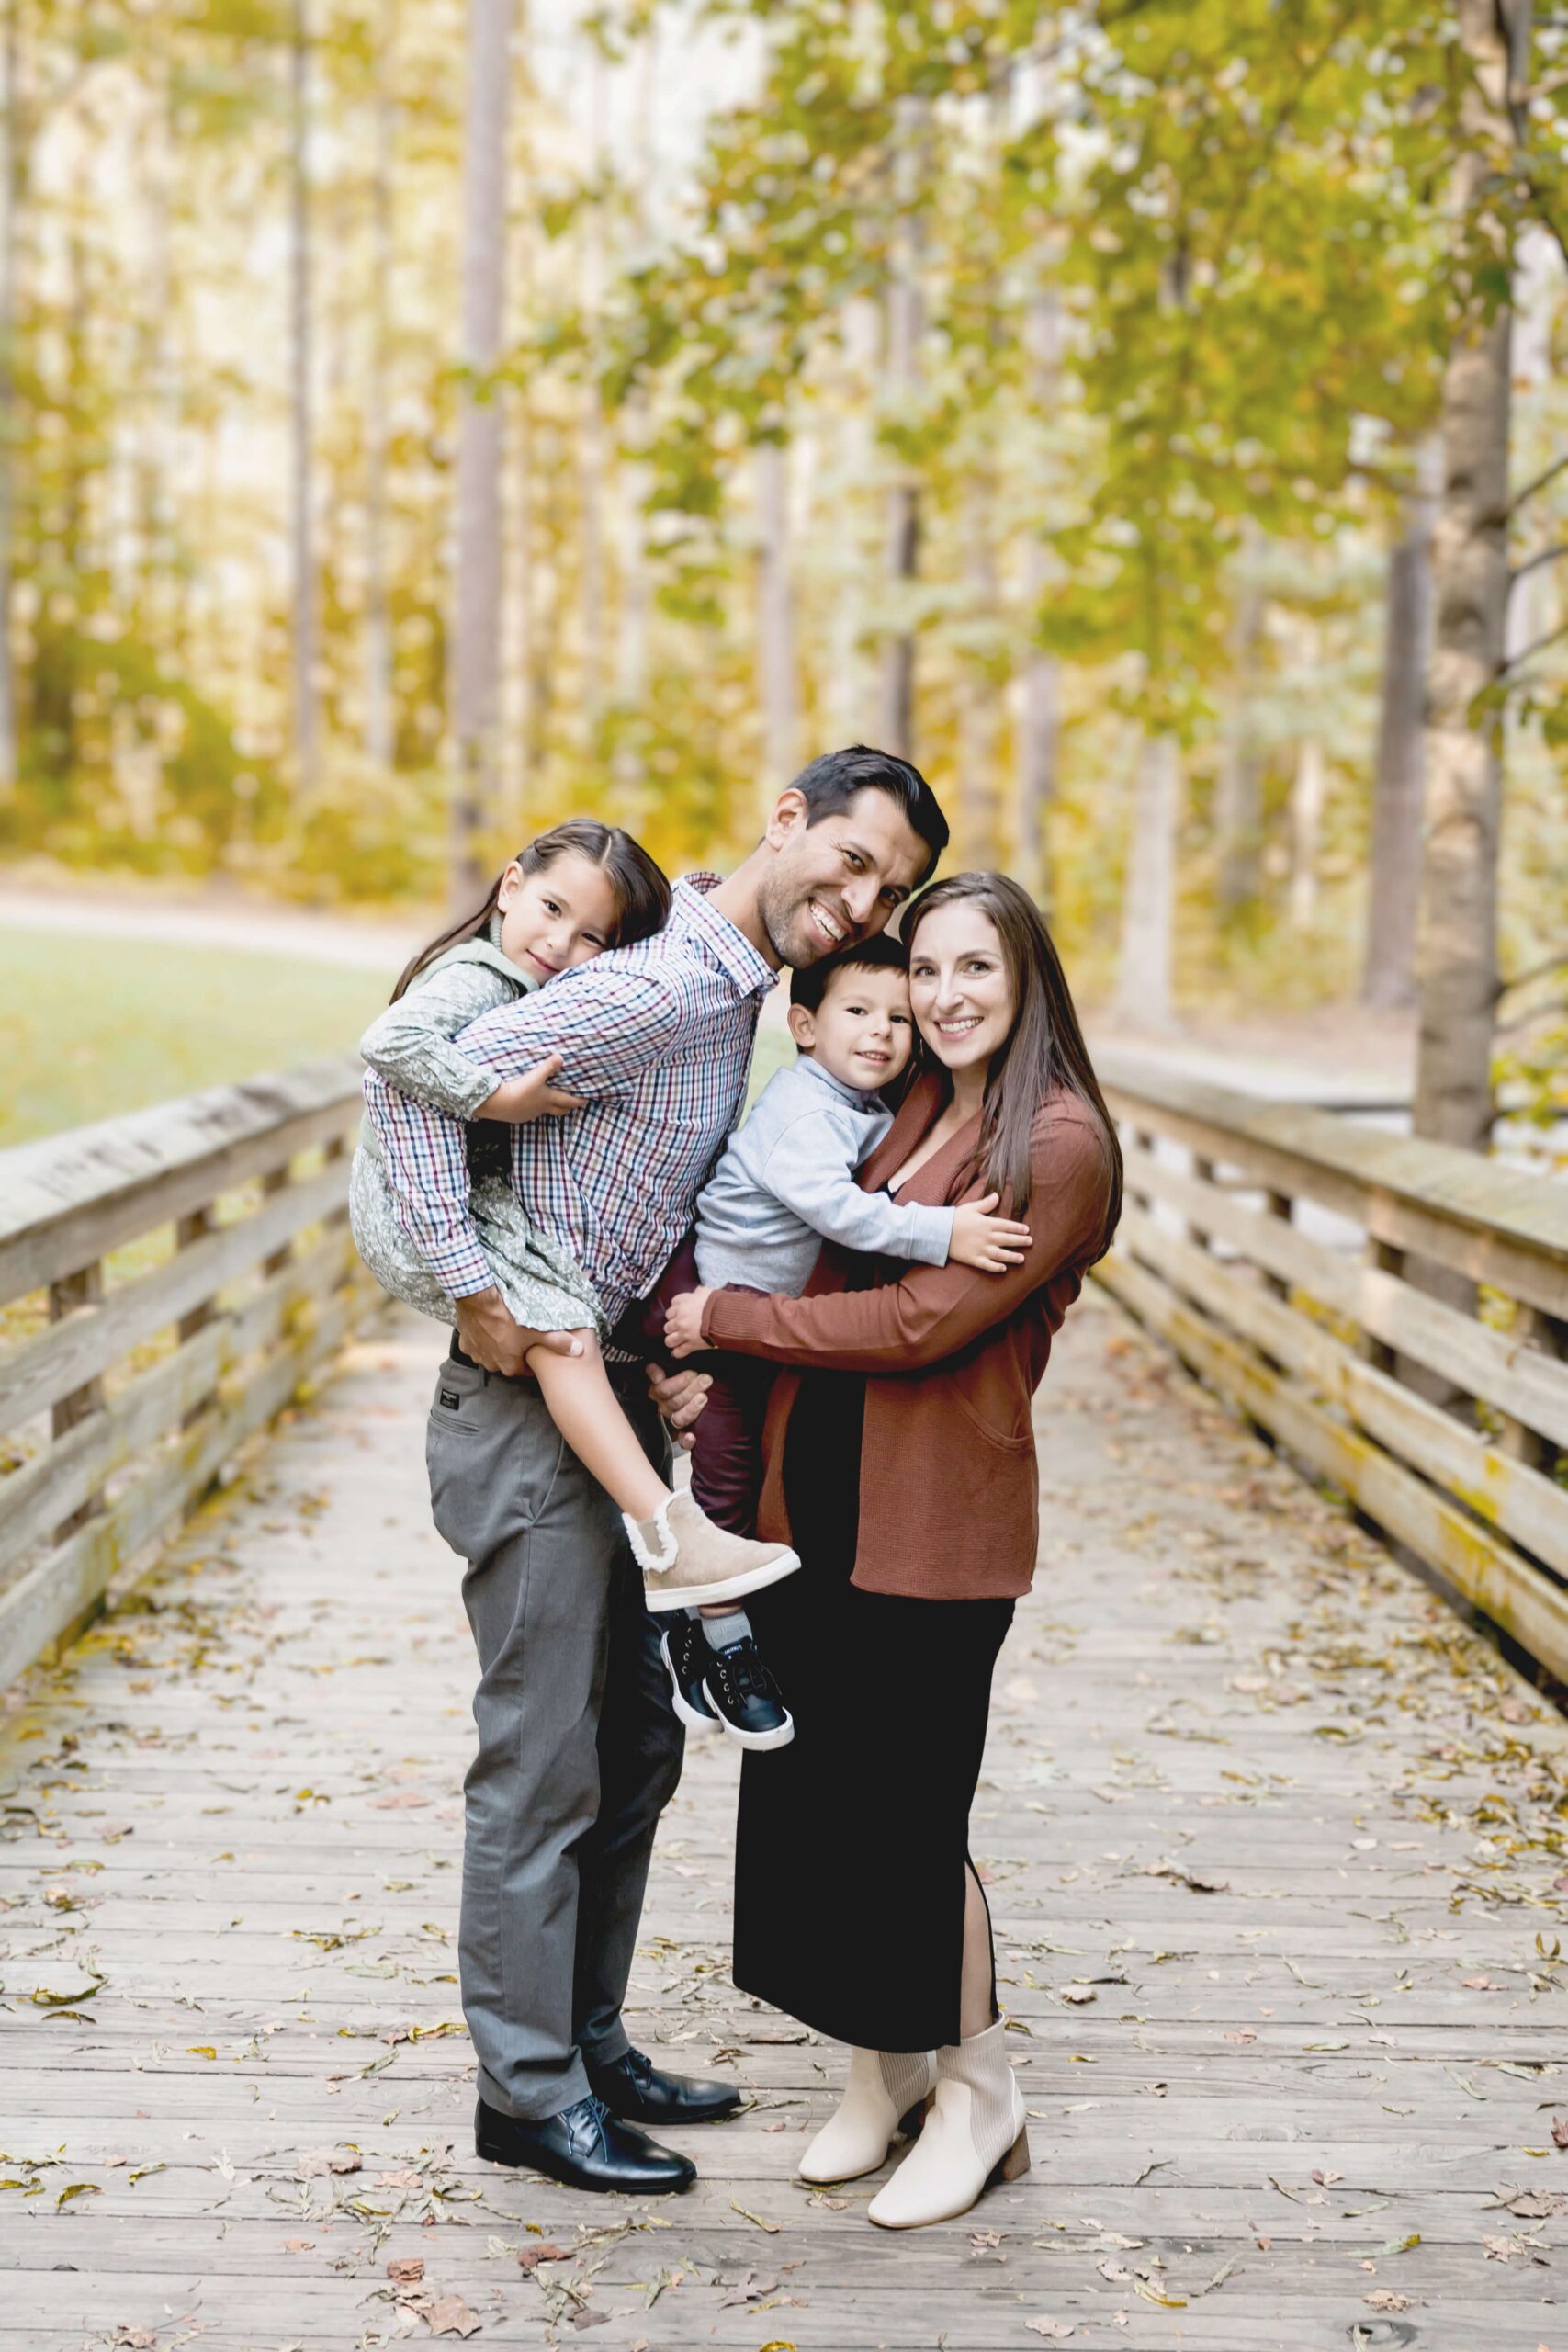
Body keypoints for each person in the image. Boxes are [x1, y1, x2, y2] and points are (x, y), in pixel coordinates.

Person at [361, 748, 950, 2199]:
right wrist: (465, 1290)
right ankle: (526, 2091)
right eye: (853, 860)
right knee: (541, 1759)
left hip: (614, 1389)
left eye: (893, 888)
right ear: (785, 819)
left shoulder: (732, 979)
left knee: (634, 1745)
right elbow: (409, 1090)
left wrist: (660, 1336)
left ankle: (590, 2041)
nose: (862, 899)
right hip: (521, 1409)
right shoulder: (665, 983)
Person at [663, 870, 1123, 2230]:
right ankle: (882, 2071)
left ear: (1025, 972)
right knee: (824, 1798)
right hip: (824, 1490)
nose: (941, 996)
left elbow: (925, 1322)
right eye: (924, 970)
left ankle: (980, 2093)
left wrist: (725, 1322)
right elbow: (813, 1238)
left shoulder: (1056, 1140)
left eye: (972, 967)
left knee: (910, 1810)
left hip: (934, 1514)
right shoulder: (915, 1096)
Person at [351, 817, 800, 1612]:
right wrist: (492, 1099)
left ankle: (687, 1571)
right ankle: (671, 1534)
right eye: (552, 909)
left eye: (592, 936)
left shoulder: (550, 991)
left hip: (471, 1209)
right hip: (406, 1216)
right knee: (561, 1330)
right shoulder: (475, 976)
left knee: (566, 1322)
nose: (561, 944)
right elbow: (389, 1053)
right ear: (509, 885)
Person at [660, 929, 1032, 1752]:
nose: (880, 1033)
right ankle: (712, 1639)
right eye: (857, 1011)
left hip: (764, 1326)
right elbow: (840, 1209)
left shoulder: (864, 1106)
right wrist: (943, 1233)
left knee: (754, 1479)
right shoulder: (804, 1108)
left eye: (900, 1019)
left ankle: (710, 1628)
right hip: (719, 1319)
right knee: (725, 1483)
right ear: (803, 1027)